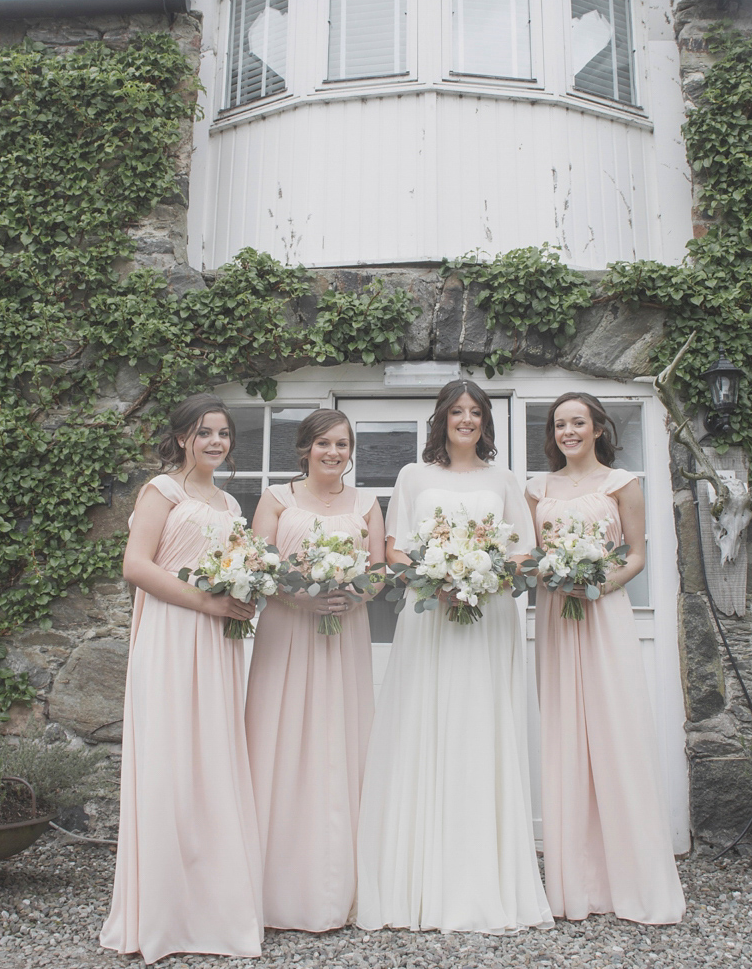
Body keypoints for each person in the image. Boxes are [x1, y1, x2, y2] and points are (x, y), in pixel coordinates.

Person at [356, 380, 551, 934]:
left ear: (485, 422)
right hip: (431, 612)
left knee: (481, 726)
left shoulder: (505, 479)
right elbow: (394, 547)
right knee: (427, 723)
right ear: (441, 418)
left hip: (488, 615)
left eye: (475, 412)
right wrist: (437, 575)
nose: (465, 419)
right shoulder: (413, 477)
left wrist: (484, 573)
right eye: (456, 411)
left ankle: (485, 878)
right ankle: (418, 880)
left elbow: (526, 550)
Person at [100, 395, 264, 963]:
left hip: (217, 647)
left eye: (223, 433)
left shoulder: (229, 504)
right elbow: (137, 566)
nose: (215, 442)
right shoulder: (161, 491)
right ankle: (163, 918)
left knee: (212, 763)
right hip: (171, 636)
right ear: (181, 439)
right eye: (203, 433)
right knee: (170, 764)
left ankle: (214, 911)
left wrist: (242, 598)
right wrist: (208, 604)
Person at [527, 392, 685, 925]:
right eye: (559, 424)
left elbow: (637, 555)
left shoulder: (622, 484)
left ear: (598, 428)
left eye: (578, 422)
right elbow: (529, 558)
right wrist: (552, 576)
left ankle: (635, 880)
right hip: (554, 615)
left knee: (617, 732)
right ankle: (575, 885)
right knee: (565, 734)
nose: (568, 431)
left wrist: (597, 584)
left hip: (605, 612)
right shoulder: (536, 490)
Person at [245, 411, 384, 931]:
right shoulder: (277, 499)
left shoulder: (368, 504)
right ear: (305, 448)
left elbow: (377, 572)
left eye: (343, 444)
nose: (333, 452)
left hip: (344, 632)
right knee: (278, 738)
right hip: (287, 629)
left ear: (352, 450)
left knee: (337, 739)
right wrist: (301, 596)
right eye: (323, 443)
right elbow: (259, 566)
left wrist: (353, 593)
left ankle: (334, 883)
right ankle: (270, 885)